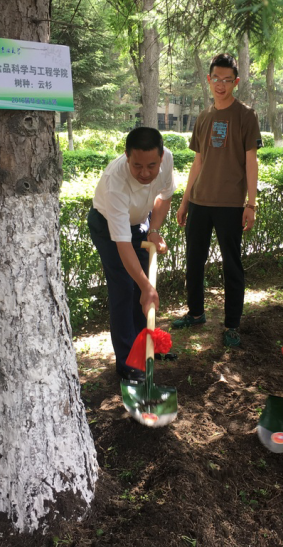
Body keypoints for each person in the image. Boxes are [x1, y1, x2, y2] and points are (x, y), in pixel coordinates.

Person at [173, 53, 262, 348]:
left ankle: (232, 324)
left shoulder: (246, 116)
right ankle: (196, 313)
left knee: (231, 265)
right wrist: (185, 201)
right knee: (194, 261)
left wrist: (251, 204)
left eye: (227, 80)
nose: (220, 85)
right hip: (200, 201)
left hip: (230, 204)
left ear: (236, 82)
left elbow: (251, 162)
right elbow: (198, 162)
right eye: (216, 79)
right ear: (209, 80)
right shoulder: (204, 117)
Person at [88, 127, 176, 382]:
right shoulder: (114, 181)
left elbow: (165, 196)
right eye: (137, 166)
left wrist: (154, 230)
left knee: (141, 287)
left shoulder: (167, 159)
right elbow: (123, 244)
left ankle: (145, 349)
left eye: (152, 165)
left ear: (161, 157)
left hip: (140, 223)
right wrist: (147, 287)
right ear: (127, 156)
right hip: (108, 228)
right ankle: (128, 361)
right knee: (125, 288)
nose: (145, 173)